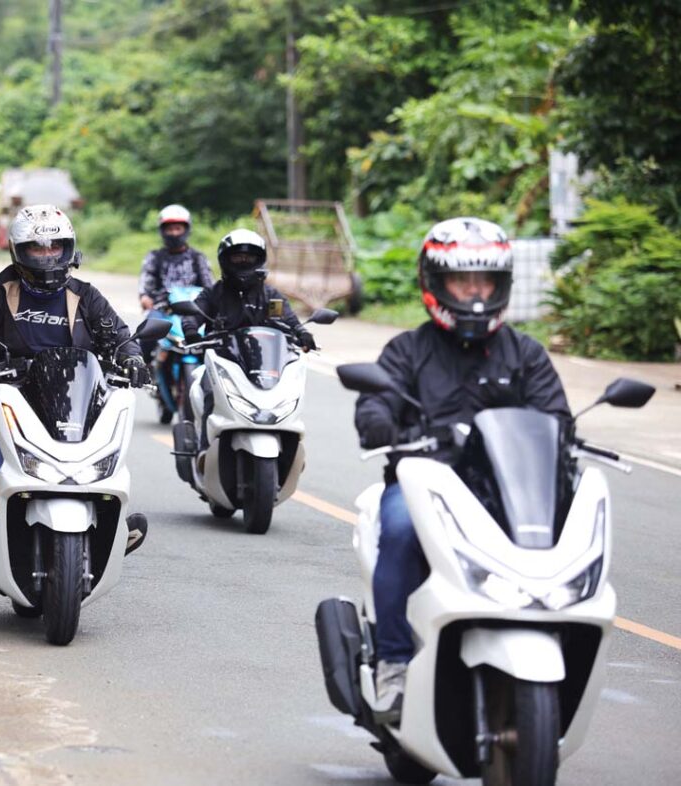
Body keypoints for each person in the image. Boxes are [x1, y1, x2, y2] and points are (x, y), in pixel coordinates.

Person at [353, 217, 570, 723]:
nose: (474, 292)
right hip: (425, 485)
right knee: (399, 531)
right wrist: (383, 424)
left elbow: (556, 418)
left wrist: (565, 440)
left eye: (484, 281)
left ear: (501, 285)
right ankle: (393, 662)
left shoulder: (526, 354)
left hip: (508, 490)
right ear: (435, 283)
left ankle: (555, 642)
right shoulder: (407, 350)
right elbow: (374, 405)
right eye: (461, 280)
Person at [0, 204, 150, 549]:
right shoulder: (2, 292)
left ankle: (114, 516)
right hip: (17, 390)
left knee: (113, 429)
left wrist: (132, 357)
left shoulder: (85, 294)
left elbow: (121, 336)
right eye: (37, 248)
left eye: (55, 247)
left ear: (68, 249)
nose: (47, 255)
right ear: (19, 252)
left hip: (79, 392)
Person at [180, 228, 318, 447]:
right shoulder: (214, 293)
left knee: (290, 394)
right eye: (237, 257)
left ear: (259, 260)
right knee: (207, 391)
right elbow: (193, 314)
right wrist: (191, 331)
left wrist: (303, 333)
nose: (243, 262)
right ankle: (204, 447)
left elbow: (289, 320)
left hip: (266, 366)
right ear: (225, 260)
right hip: (224, 363)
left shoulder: (270, 296)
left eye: (249, 257)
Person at [137, 204, 214, 363]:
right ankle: (143, 368)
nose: (174, 233)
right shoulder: (155, 257)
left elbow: (209, 285)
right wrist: (145, 297)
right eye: (170, 229)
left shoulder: (198, 257)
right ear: (162, 231)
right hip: (164, 309)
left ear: (186, 229)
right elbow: (146, 281)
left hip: (194, 309)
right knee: (146, 336)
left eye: (178, 228)